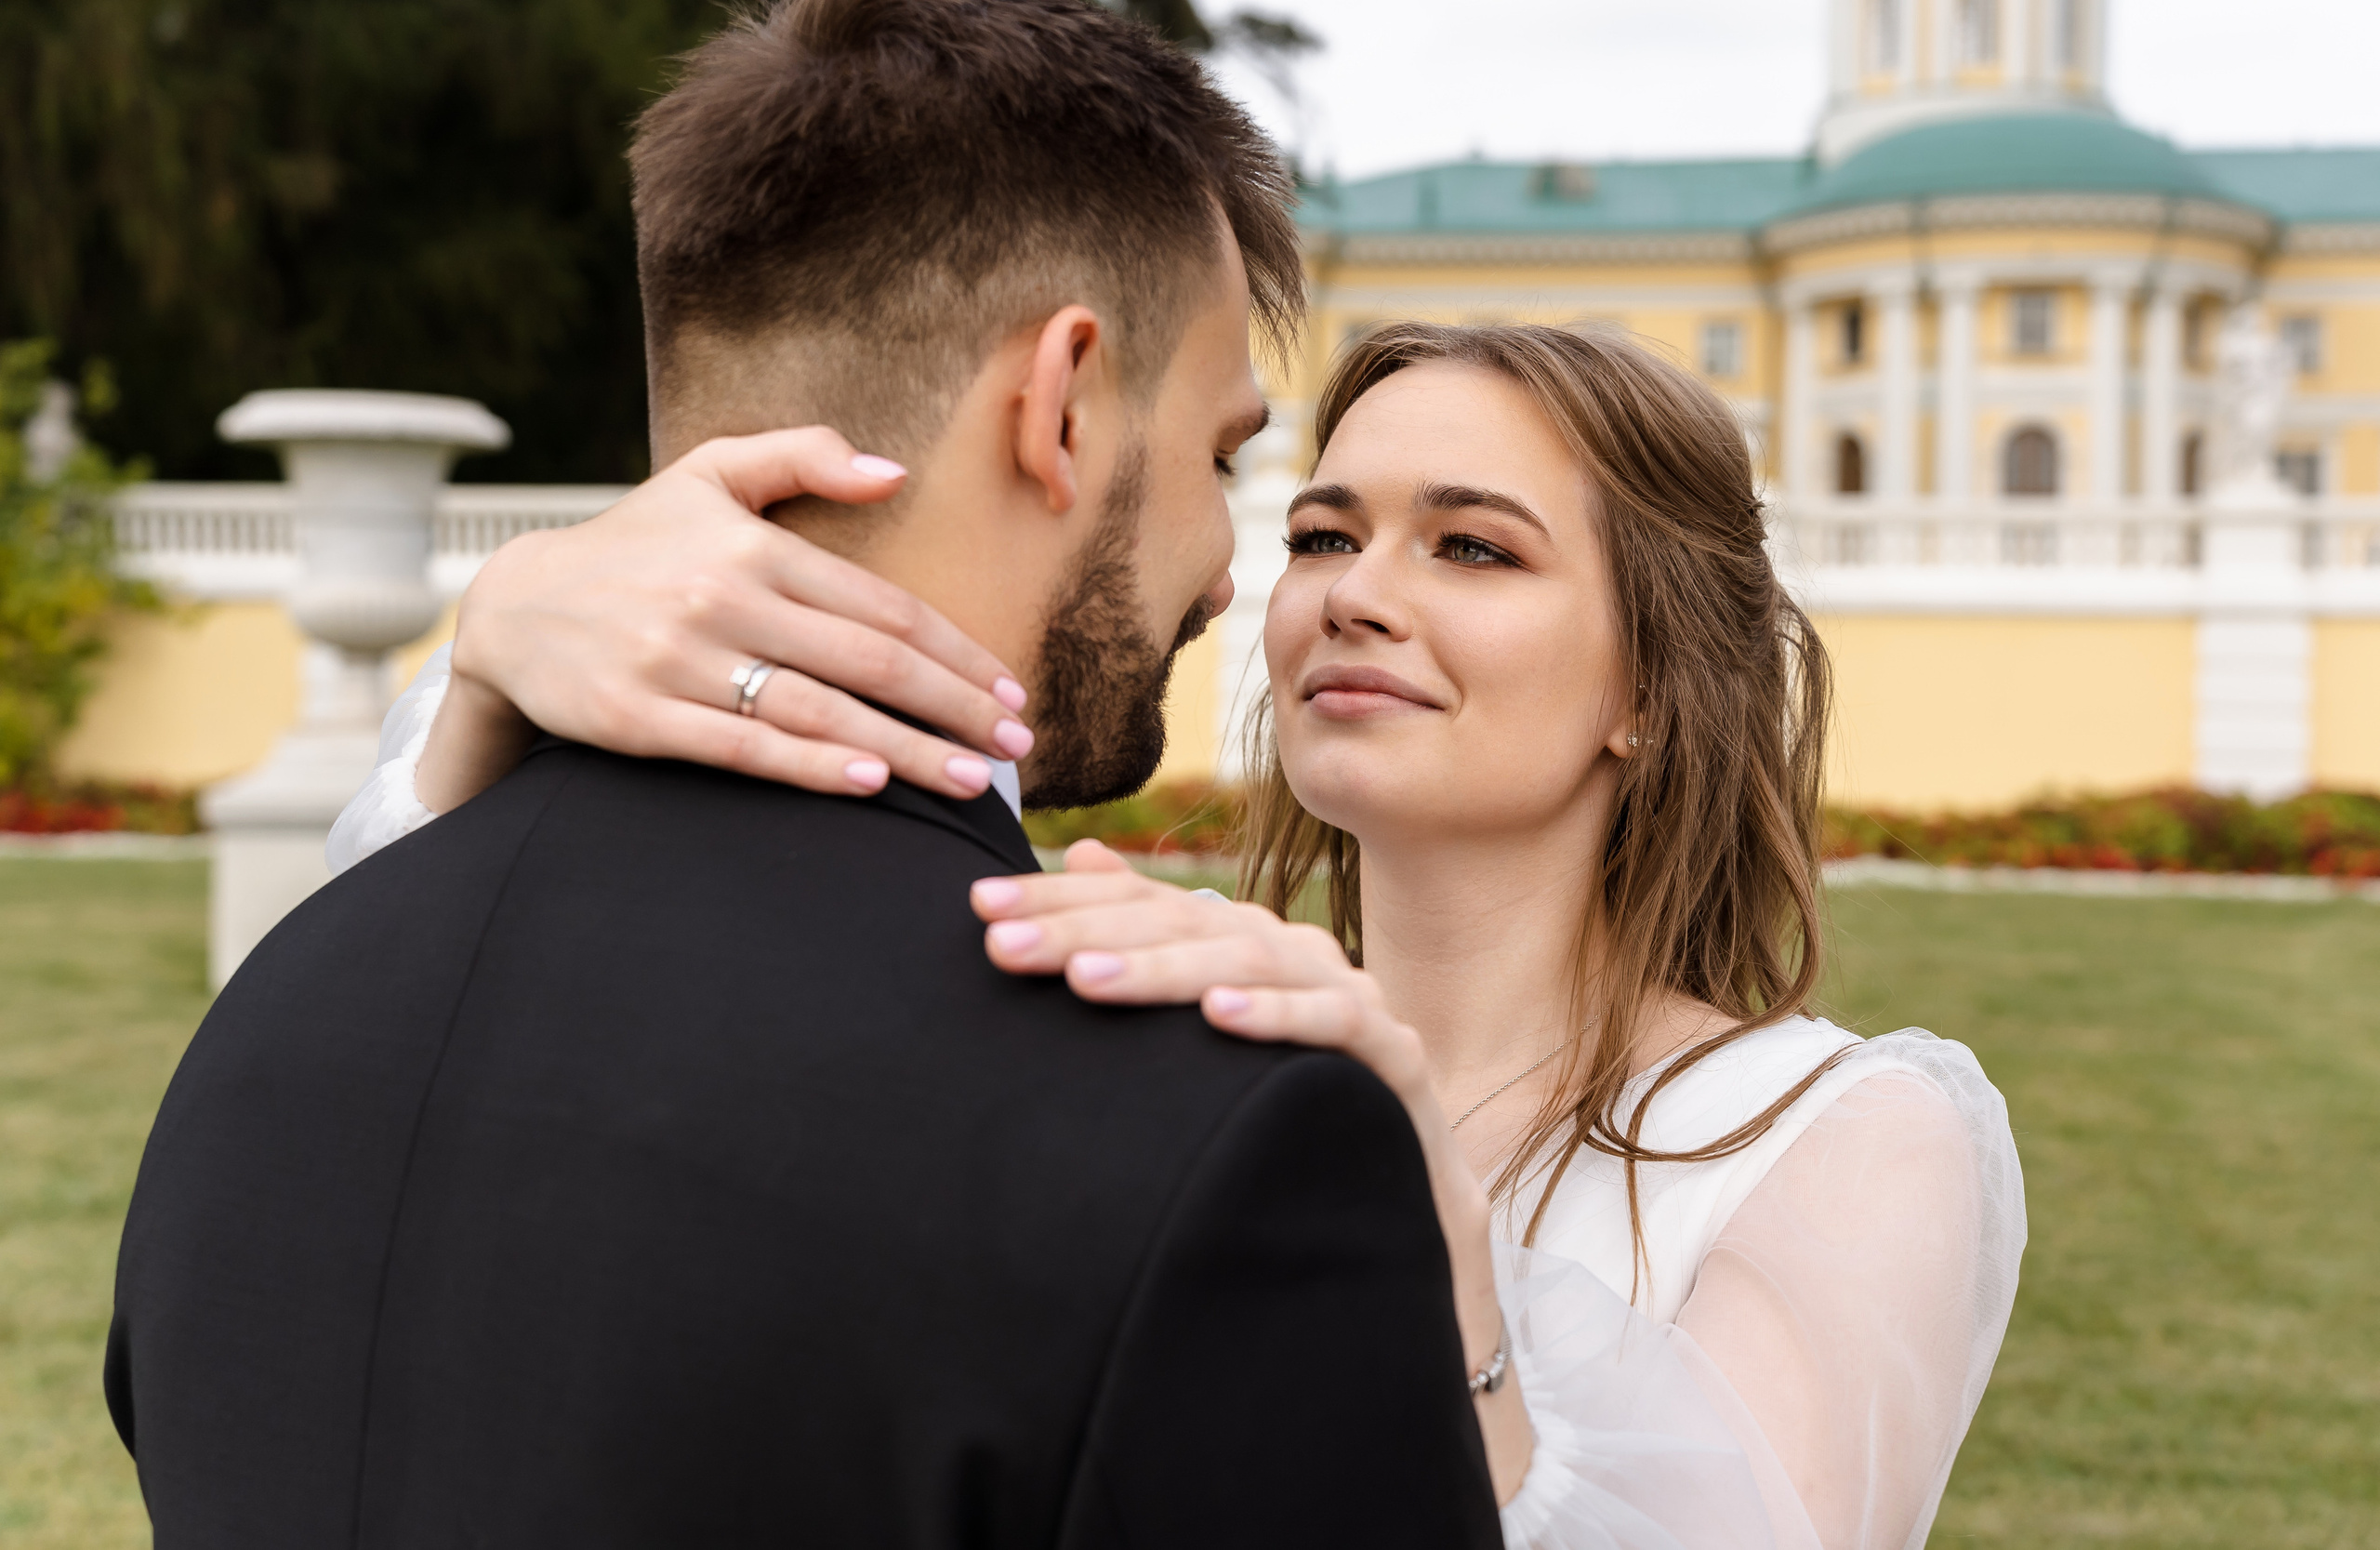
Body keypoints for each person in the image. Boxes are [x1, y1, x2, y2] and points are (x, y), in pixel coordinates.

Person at [104, 0, 1507, 1546]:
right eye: (1220, 457)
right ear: (1057, 404)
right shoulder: (1214, 1140)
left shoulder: (274, 1024)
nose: (1225, 568)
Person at [350, 320, 2028, 1548]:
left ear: (1655, 689)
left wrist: (1407, 1172)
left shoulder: (1849, 1142)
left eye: (1470, 546)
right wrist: (490, 659)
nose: (1350, 591)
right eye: (1320, 531)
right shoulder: (1144, 994)